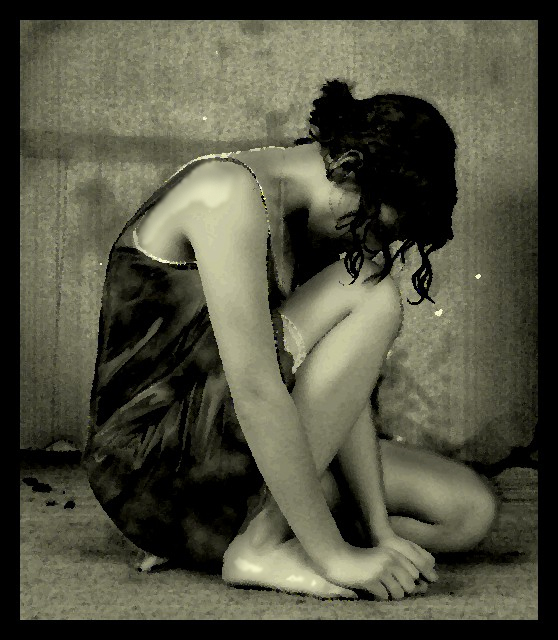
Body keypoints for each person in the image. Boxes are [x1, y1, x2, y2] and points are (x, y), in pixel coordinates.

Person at [82, 79, 499, 601]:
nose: (370, 245)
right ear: (347, 167)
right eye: (372, 227)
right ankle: (257, 546)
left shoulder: (308, 218)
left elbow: (341, 390)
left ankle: (231, 539)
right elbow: (257, 388)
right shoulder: (224, 192)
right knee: (373, 293)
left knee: (467, 512)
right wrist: (337, 557)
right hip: (153, 468)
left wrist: (379, 531)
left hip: (230, 449)